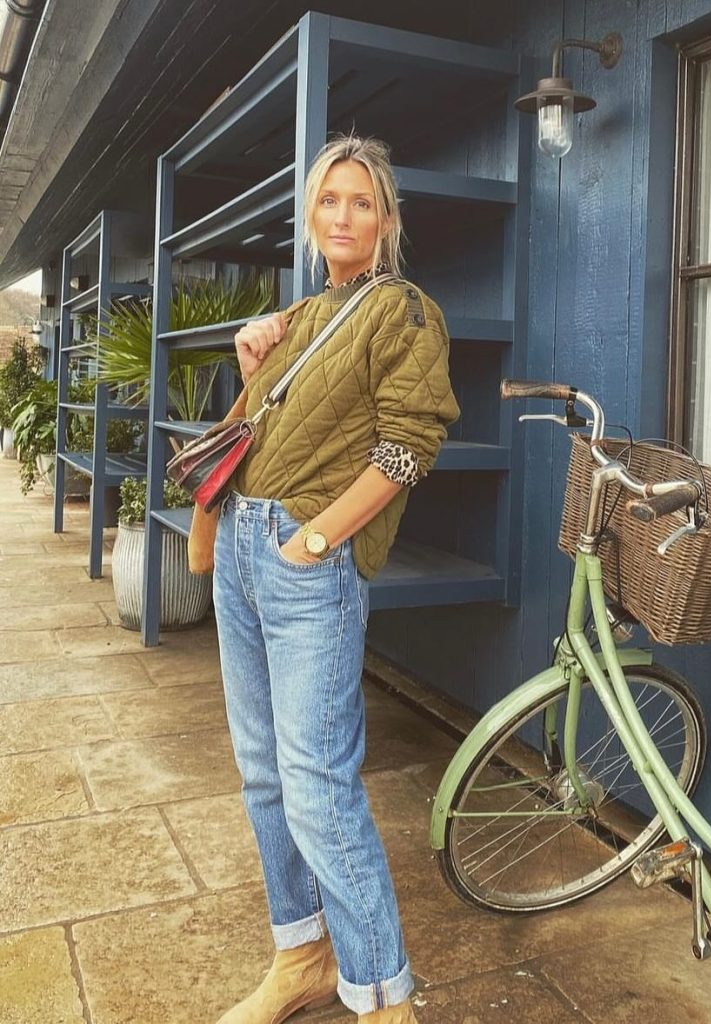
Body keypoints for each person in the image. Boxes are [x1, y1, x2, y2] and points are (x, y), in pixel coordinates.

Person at [211, 134, 459, 1024]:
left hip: (302, 562)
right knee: (263, 774)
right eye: (328, 200)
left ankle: (384, 994)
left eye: (361, 201)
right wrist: (253, 368)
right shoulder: (304, 314)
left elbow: (409, 446)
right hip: (241, 550)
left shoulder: (405, 312)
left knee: (316, 782)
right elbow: (259, 435)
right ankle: (302, 955)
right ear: (310, 215)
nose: (343, 216)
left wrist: (315, 540)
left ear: (386, 219)